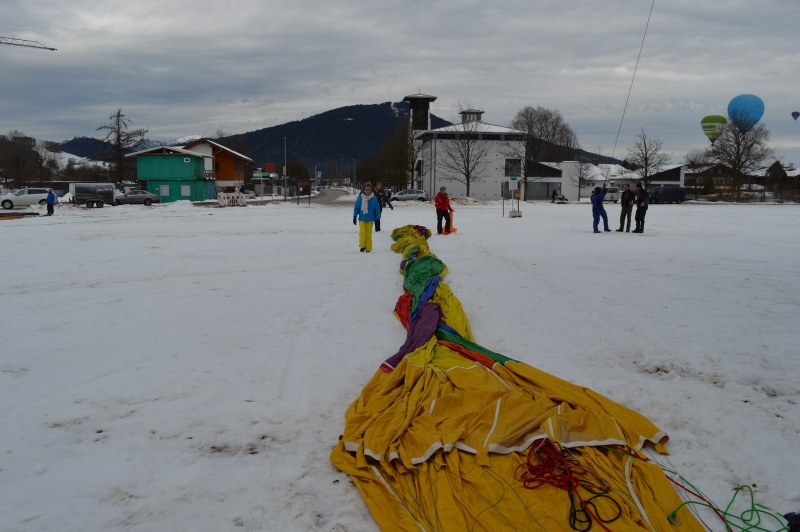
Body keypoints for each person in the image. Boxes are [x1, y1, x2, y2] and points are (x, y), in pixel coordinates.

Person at [353, 182, 381, 252]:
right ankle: (362, 246)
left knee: (368, 235)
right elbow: (356, 208)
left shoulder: (374, 198)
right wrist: (354, 216)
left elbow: (377, 208)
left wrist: (377, 217)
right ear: (363, 190)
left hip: (370, 219)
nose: (368, 191)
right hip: (362, 219)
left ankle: (368, 248)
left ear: (371, 190)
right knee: (362, 233)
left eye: (369, 189)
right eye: (366, 189)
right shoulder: (360, 198)